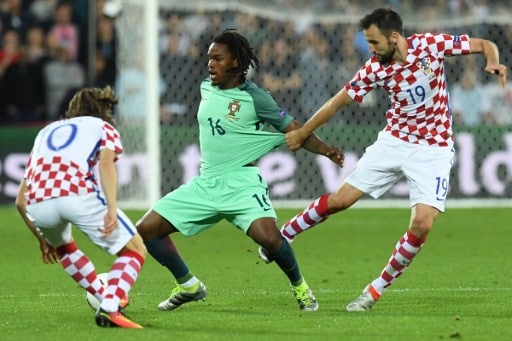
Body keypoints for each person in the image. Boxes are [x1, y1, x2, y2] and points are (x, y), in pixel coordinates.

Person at [258, 7, 507, 312]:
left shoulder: (431, 45)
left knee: (422, 225)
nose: (371, 49)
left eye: (374, 43)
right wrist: (303, 132)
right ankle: (286, 234)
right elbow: (337, 101)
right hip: (395, 141)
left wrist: (493, 62)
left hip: (434, 148)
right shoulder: (375, 68)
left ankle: (374, 291)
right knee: (340, 200)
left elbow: (483, 45)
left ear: (394, 37)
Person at [136, 29, 344, 312]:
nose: (210, 64)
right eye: (209, 58)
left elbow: (296, 131)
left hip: (241, 183)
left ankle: (302, 289)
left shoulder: (256, 98)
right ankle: (188, 286)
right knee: (146, 230)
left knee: (270, 239)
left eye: (217, 59)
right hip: (206, 182)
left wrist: (327, 150)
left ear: (235, 62)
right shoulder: (205, 87)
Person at [15, 86, 147, 328]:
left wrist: (42, 238)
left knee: (64, 248)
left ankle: (103, 296)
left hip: (38, 203)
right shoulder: (103, 128)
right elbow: (106, 165)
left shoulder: (45, 132)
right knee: (135, 249)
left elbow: (20, 201)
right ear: (103, 110)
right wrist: (111, 207)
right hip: (76, 194)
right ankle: (109, 307)